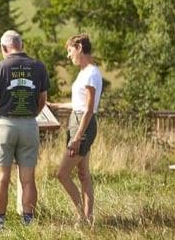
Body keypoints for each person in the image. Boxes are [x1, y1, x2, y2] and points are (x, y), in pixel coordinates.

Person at [0, 30, 50, 229]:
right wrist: (31, 116)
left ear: (4, 48)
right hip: (29, 125)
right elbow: (43, 100)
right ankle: (28, 222)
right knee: (28, 180)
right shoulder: (38, 67)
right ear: (22, 45)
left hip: (4, 125)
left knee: (2, 179)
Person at [47, 33, 103, 227]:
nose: (69, 56)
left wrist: (78, 137)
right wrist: (56, 106)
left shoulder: (91, 74)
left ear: (79, 47)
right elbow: (79, 104)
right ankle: (88, 217)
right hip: (77, 121)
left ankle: (83, 216)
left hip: (83, 125)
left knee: (61, 174)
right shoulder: (83, 72)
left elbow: (88, 109)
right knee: (83, 174)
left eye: (70, 51)